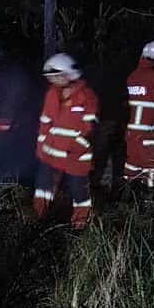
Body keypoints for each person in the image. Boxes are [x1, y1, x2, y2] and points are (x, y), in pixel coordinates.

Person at [33, 53, 99, 228]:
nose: (52, 80)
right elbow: (45, 123)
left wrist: (76, 149)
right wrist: (41, 148)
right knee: (43, 190)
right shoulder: (51, 94)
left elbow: (90, 130)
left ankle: (79, 226)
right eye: (50, 77)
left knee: (80, 194)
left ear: (68, 74)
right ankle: (38, 222)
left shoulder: (87, 97)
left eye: (55, 76)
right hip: (51, 155)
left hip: (76, 158)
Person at [123, 40, 154, 192]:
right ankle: (150, 198)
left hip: (132, 132)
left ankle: (129, 196)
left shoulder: (132, 77)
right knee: (152, 166)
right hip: (150, 133)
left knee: (133, 165)